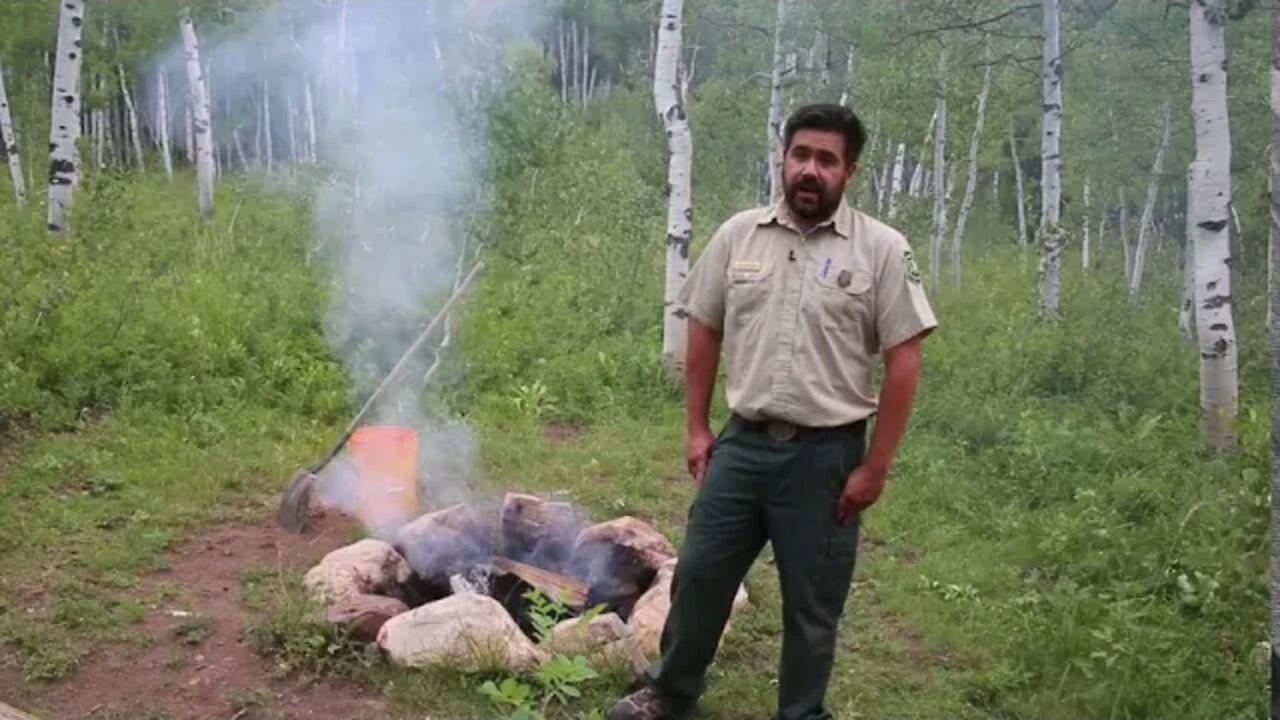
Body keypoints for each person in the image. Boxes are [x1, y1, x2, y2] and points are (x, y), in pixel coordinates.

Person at [606, 103, 938, 720]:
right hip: (743, 446)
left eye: (827, 160)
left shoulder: (883, 250)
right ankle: (672, 695)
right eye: (801, 155)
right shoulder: (739, 235)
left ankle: (801, 713)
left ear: (850, 171)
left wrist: (876, 467)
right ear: (784, 159)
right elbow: (703, 326)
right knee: (700, 575)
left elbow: (905, 358)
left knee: (813, 604)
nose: (810, 170)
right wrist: (697, 427)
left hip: (827, 458)